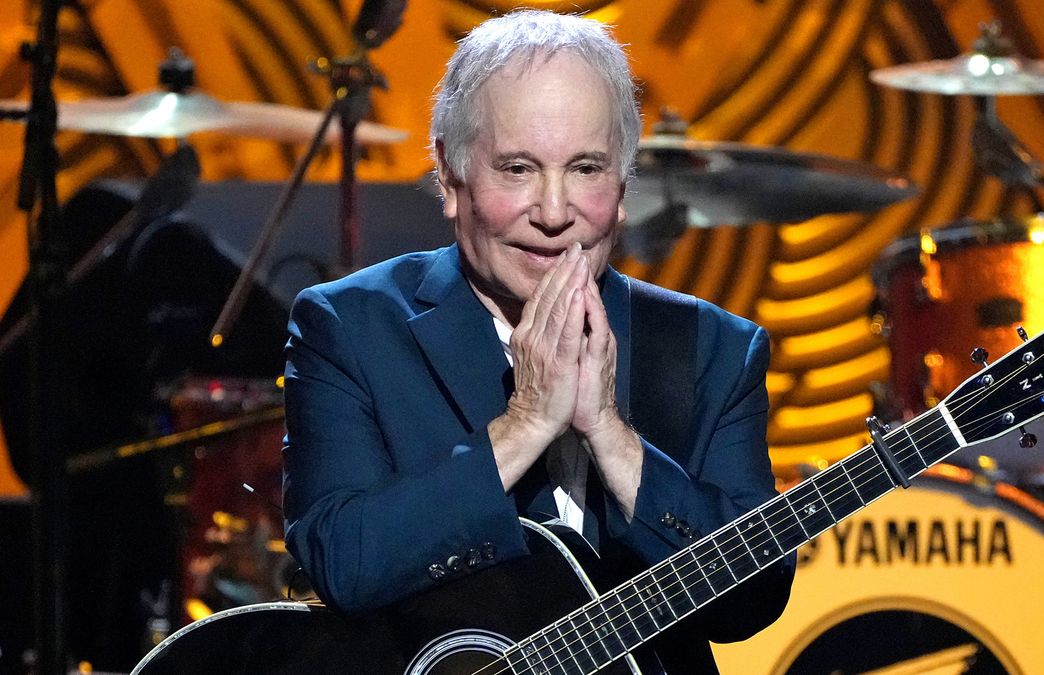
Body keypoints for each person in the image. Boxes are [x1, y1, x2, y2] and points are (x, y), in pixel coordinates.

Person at [282, 9, 794, 673]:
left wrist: (609, 434)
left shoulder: (713, 349)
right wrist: (525, 424)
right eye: (518, 168)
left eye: (585, 168)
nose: (554, 214)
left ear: (623, 179)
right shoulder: (349, 326)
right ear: (449, 175)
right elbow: (343, 564)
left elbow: (749, 601)